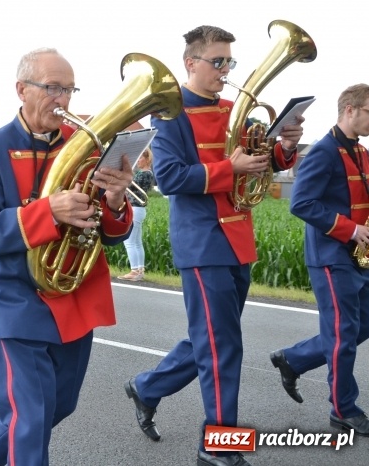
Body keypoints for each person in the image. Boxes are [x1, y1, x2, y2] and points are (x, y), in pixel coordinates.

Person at [124, 25, 303, 466]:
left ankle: (147, 387)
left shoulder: (233, 108)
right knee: (223, 345)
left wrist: (282, 149)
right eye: (217, 61)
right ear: (192, 62)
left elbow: (254, 163)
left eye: (230, 63)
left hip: (238, 239)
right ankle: (218, 448)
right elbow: (169, 177)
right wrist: (229, 166)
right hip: (202, 241)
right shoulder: (169, 114)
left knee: (212, 338)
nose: (226, 71)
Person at [0, 48, 134, 466]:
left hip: (75, 291)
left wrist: (114, 200)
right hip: (17, 296)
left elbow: (112, 234)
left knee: (60, 405)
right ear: (22, 90)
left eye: (69, 90)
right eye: (52, 88)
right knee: (32, 417)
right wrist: (49, 211)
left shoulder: (88, 146)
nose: (62, 100)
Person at [268, 83, 369, 436]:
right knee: (342, 334)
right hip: (331, 257)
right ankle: (343, 409)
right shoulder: (324, 151)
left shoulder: (361, 152)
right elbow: (301, 203)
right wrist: (351, 229)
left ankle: (294, 359)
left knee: (362, 324)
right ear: (350, 109)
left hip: (359, 257)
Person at [118, 147, 154, 281]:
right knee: (137, 242)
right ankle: (140, 269)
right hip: (139, 209)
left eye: (140, 158)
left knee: (129, 242)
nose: (138, 161)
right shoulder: (147, 173)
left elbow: (128, 184)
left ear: (146, 159)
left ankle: (134, 271)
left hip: (135, 208)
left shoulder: (144, 174)